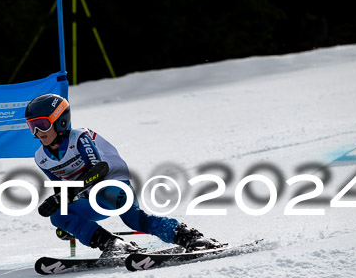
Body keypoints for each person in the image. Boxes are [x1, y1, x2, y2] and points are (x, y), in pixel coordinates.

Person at [25, 93, 222, 257]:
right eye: (32, 127)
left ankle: (189, 237)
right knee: (59, 215)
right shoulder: (41, 158)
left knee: (131, 216)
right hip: (90, 200)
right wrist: (69, 225)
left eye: (43, 124)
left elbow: (99, 170)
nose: (38, 132)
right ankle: (113, 244)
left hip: (113, 187)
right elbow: (61, 191)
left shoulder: (79, 137)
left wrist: (67, 194)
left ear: (60, 121)